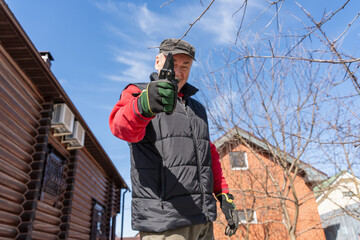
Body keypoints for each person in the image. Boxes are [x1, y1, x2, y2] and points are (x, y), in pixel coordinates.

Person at [109, 38, 239, 239]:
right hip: (166, 224)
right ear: (158, 62)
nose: (178, 71)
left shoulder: (197, 109)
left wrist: (223, 194)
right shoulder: (138, 92)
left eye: (185, 65)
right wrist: (145, 104)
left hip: (203, 221)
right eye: (173, 64)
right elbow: (120, 127)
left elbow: (208, 153)